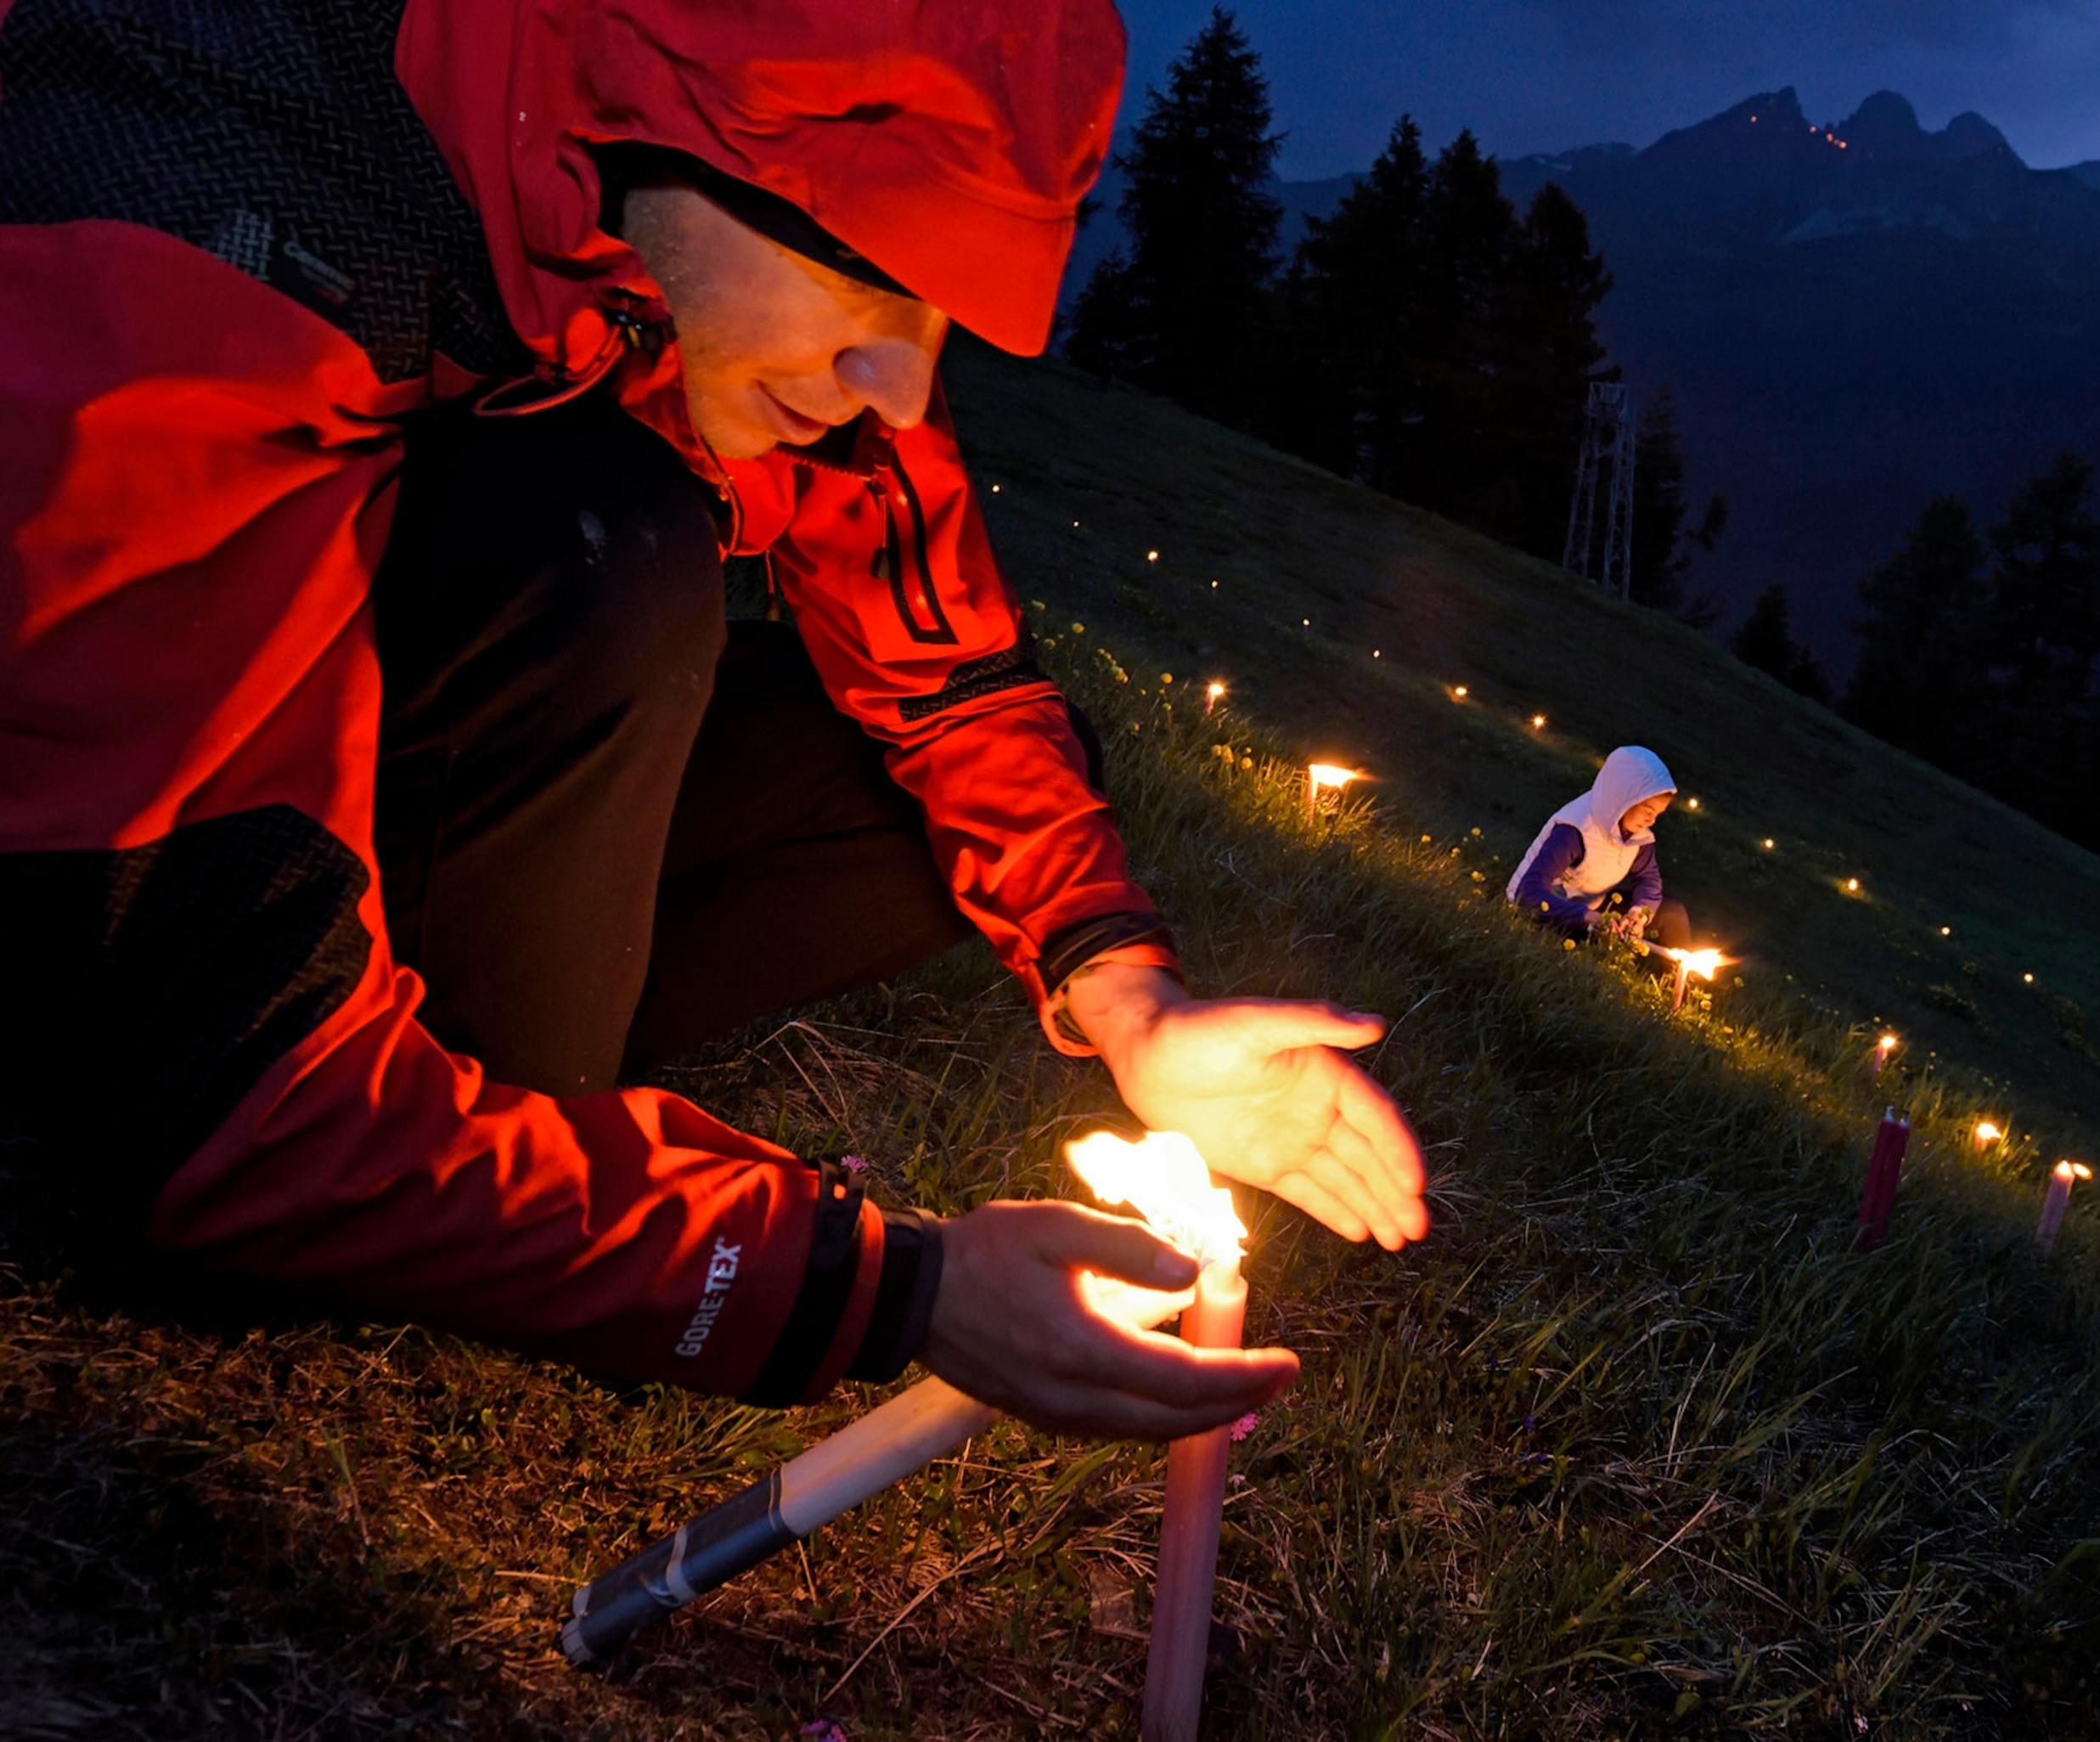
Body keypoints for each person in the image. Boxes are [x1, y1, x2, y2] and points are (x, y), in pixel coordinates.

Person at [0, 0, 1427, 1446]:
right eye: (871, 290)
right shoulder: (182, 217)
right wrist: (888, 1287)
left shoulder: (638, 214)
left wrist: (1131, 1001)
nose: (907, 385)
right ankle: (438, 1173)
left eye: (932, 318)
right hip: (119, 914)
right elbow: (234, 1112)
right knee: (599, 544)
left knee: (882, 802)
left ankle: (485, 1121)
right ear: (654, 140)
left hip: (369, 735)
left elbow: (945, 672)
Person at [1505, 747, 1692, 953]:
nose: (1652, 820)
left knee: (1672, 913)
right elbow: (1529, 892)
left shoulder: (1639, 835)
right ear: (1624, 799)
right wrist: (1585, 917)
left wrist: (1638, 914)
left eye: (1658, 813)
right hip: (1548, 910)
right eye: (1648, 810)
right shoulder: (1575, 831)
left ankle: (1683, 979)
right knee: (1574, 948)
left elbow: (1648, 879)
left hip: (1592, 911)